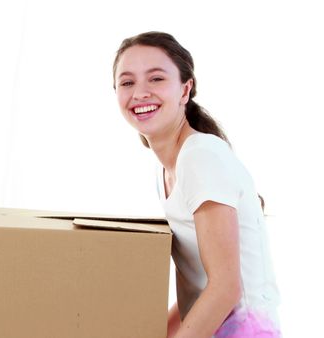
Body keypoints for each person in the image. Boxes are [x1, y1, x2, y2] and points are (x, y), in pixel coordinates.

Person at [112, 31, 280, 337]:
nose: (140, 93)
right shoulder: (165, 170)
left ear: (185, 89)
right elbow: (197, 291)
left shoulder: (200, 157)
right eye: (127, 82)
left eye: (156, 79)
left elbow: (226, 288)